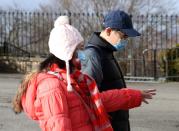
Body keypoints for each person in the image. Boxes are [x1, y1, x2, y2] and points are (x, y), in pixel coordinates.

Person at [12, 16, 156, 131]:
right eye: (78, 48)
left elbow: (97, 100)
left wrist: (133, 95)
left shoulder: (73, 78)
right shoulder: (52, 86)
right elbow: (58, 125)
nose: (82, 53)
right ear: (67, 51)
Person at [79, 10, 141, 131]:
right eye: (123, 36)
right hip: (107, 124)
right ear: (108, 31)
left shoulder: (107, 52)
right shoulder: (92, 55)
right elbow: (88, 97)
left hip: (116, 122)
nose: (125, 41)